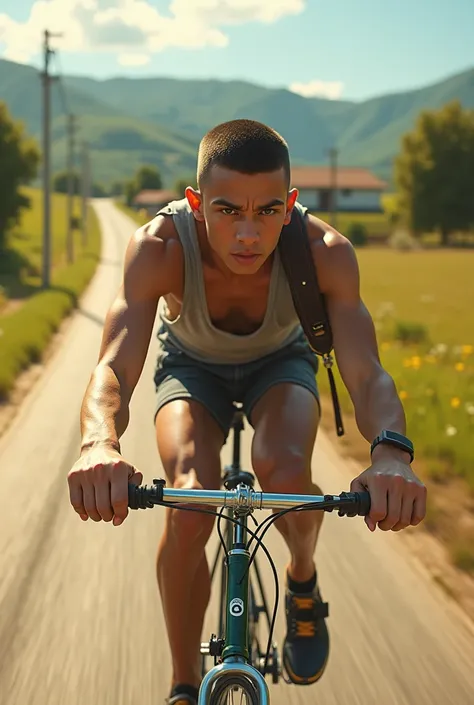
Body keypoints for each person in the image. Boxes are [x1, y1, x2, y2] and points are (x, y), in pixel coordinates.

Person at [68, 119, 426, 703]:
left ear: (290, 205)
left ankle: (302, 577)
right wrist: (98, 443)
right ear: (195, 202)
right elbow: (113, 366)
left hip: (279, 362)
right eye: (228, 210)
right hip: (190, 365)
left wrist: (390, 454)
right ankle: (184, 684)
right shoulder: (158, 247)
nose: (247, 234)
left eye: (266, 212)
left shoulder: (325, 252)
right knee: (188, 495)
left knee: (283, 468)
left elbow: (367, 373)